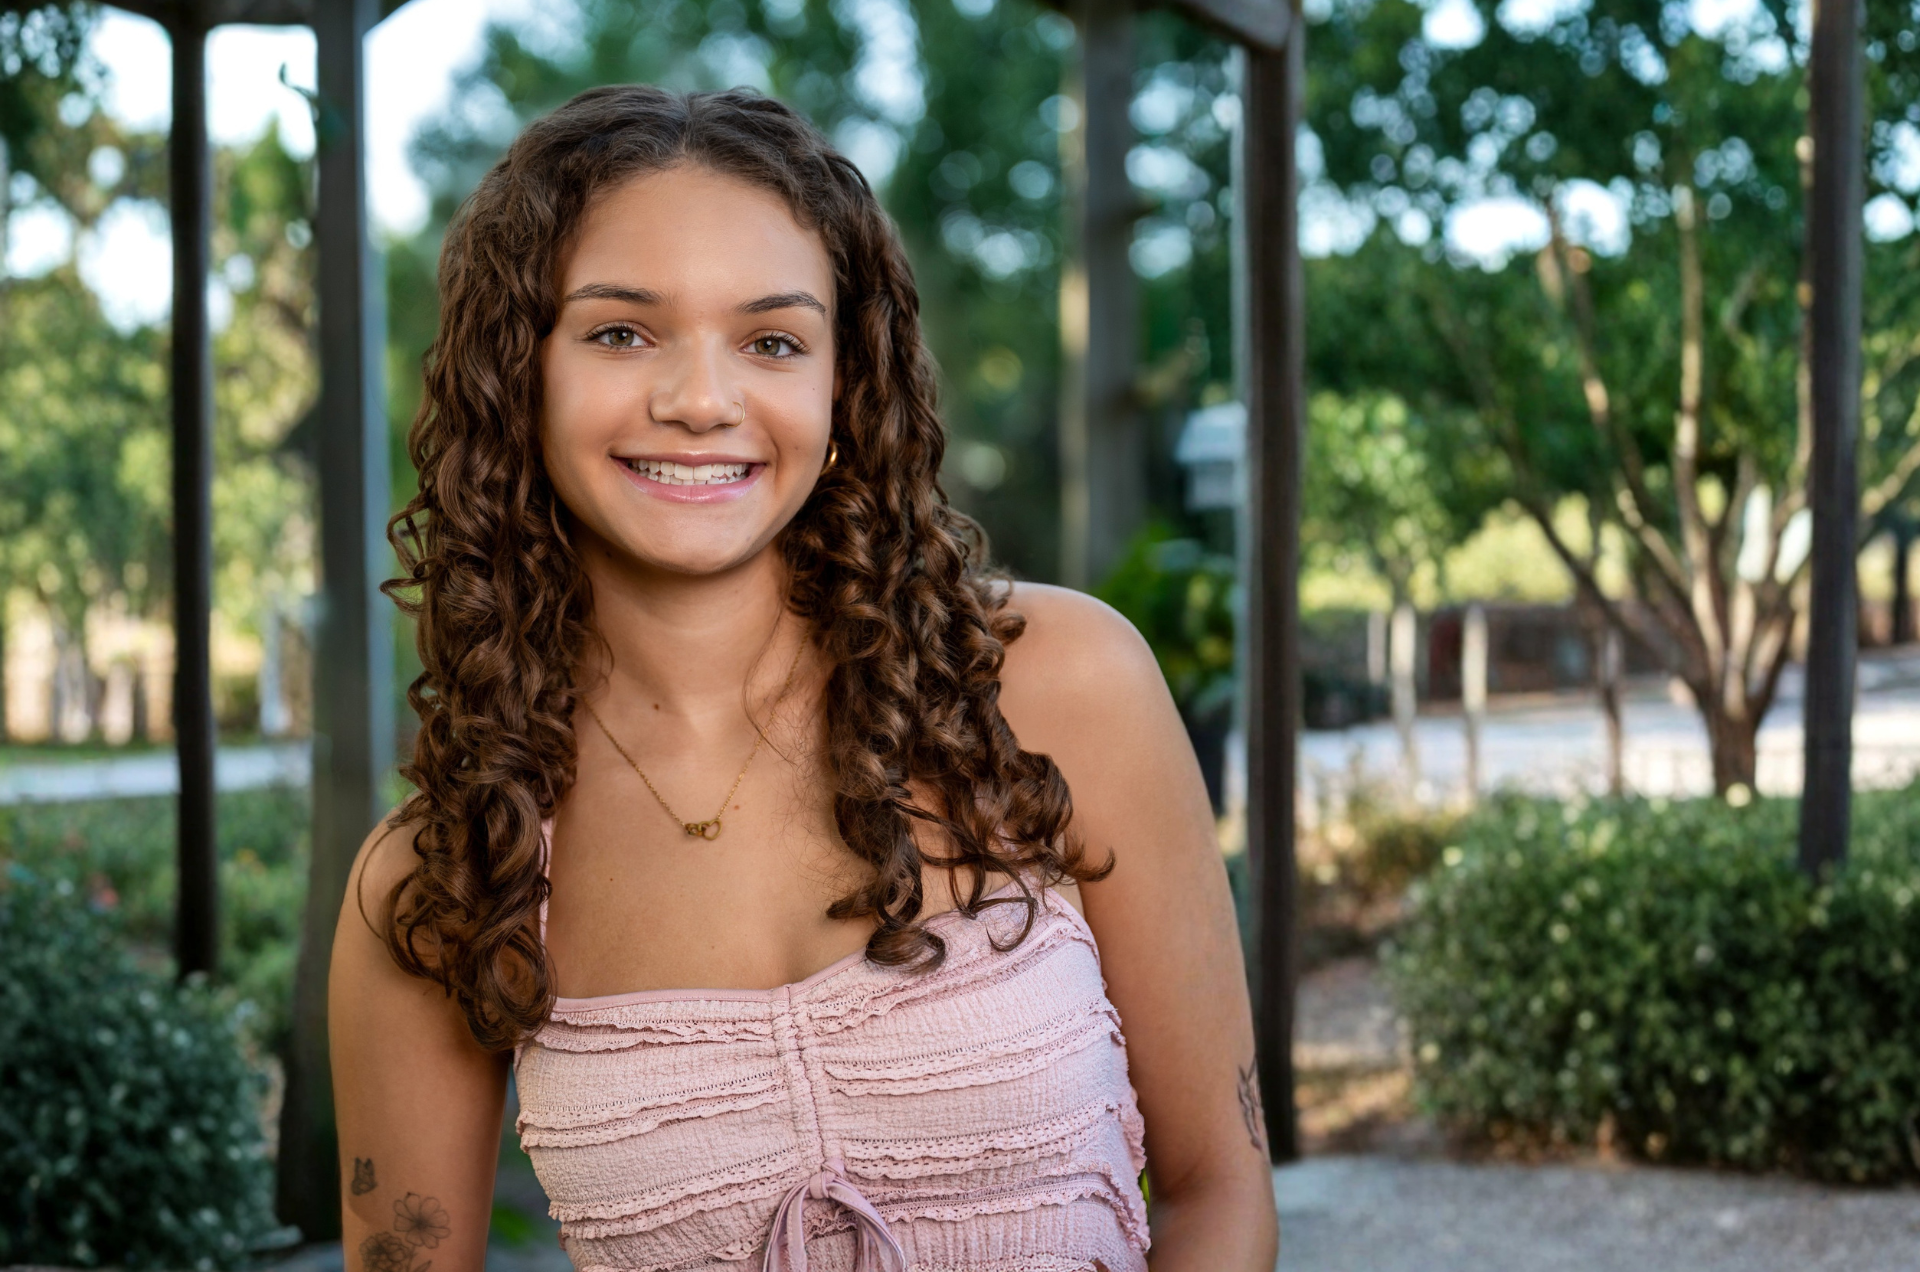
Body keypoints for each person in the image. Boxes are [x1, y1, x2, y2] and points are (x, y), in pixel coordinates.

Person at [330, 85, 1277, 1272]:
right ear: (518, 374)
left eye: (772, 340)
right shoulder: (443, 874)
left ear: (844, 387)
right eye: (622, 331)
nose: (701, 401)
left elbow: (1219, 1190)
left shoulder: (1060, 688)